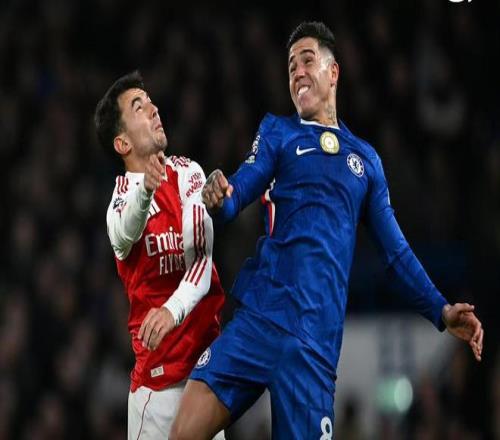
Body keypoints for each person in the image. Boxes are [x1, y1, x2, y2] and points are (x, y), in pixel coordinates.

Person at [169, 22, 484, 440]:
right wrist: (218, 197)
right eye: (290, 67)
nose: (297, 72)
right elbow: (236, 194)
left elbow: (396, 253)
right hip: (260, 320)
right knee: (182, 434)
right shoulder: (278, 132)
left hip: (314, 347)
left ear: (333, 72)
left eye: (307, 61)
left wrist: (441, 311)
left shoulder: (365, 161)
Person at [94, 71, 225, 439]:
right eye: (139, 107)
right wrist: (146, 191)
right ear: (122, 143)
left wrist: (171, 310)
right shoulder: (121, 201)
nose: (153, 109)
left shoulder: (188, 173)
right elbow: (125, 232)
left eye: (150, 101)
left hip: (204, 379)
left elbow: (201, 263)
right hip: (158, 390)